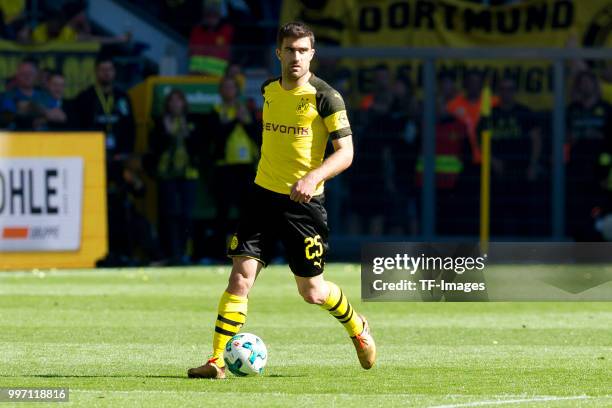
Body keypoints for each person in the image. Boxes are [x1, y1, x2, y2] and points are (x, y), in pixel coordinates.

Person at [188, 21, 376, 379]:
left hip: (303, 207)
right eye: (290, 49)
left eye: (303, 50)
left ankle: (356, 325)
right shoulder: (268, 90)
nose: (296, 56)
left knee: (313, 292)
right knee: (240, 278)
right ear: (278, 53)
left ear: (312, 54)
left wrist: (313, 176)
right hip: (261, 198)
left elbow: (347, 152)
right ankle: (215, 361)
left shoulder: (326, 97)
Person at [207, 76, 259, 259]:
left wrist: (246, 122)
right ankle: (219, 253)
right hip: (225, 168)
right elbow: (216, 136)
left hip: (245, 167)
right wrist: (234, 121)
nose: (229, 91)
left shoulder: (246, 110)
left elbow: (257, 135)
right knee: (223, 211)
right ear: (221, 91)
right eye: (226, 87)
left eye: (232, 87)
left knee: (248, 212)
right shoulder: (217, 110)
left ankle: (247, 251)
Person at [148, 89, 201, 265]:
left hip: (189, 173)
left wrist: (188, 136)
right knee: (170, 214)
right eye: (172, 101)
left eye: (178, 101)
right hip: (167, 174)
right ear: (167, 105)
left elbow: (200, 147)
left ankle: (187, 252)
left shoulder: (191, 121)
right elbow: (154, 148)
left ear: (184, 104)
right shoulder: (160, 122)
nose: (175, 104)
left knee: (186, 214)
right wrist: (167, 133)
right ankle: (173, 253)